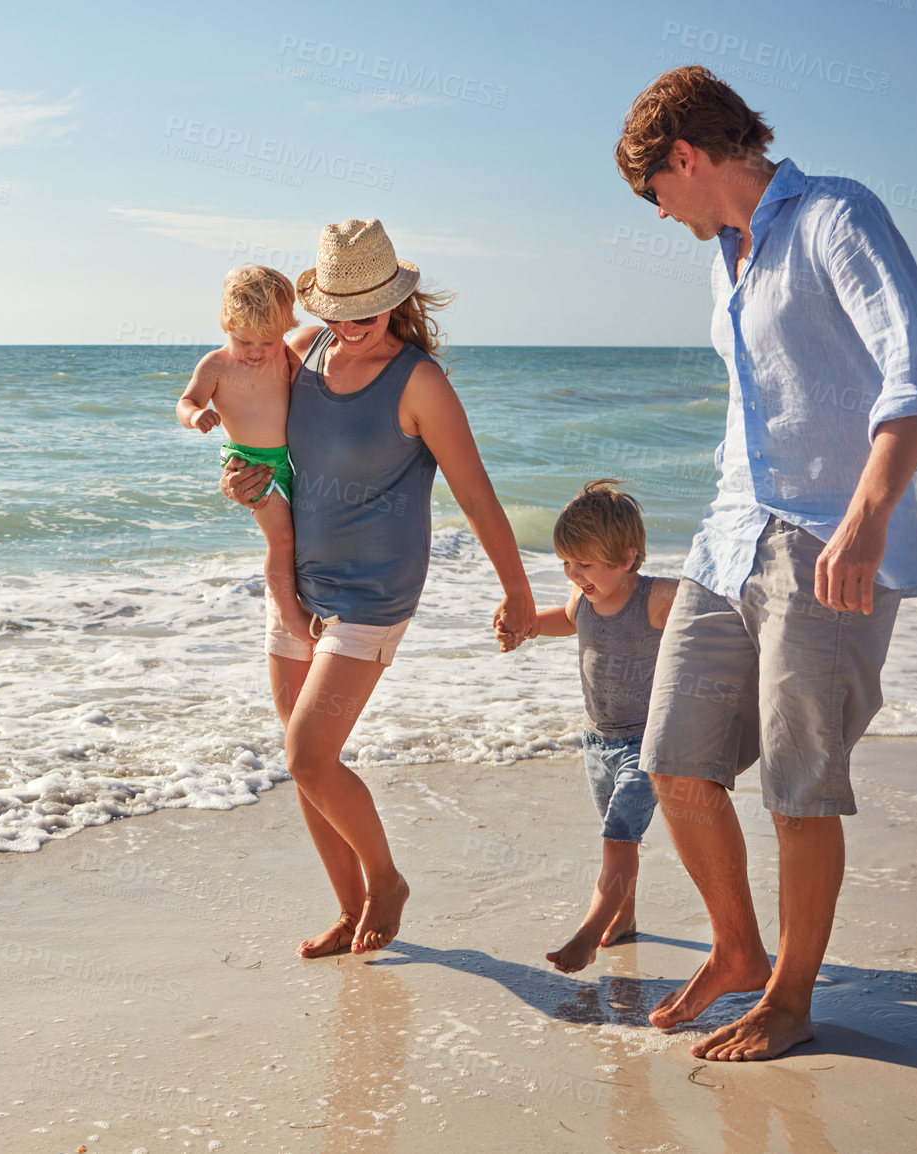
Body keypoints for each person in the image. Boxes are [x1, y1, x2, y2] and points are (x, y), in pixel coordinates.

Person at [615, 66, 917, 1060]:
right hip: (729, 538)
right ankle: (735, 948)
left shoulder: (834, 218)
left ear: (684, 157)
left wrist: (865, 516)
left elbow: (914, 372)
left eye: (655, 192)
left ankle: (790, 996)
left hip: (826, 542)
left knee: (800, 784)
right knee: (674, 760)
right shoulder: (722, 257)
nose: (659, 213)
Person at [221, 219, 536, 957]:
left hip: (374, 593)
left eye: (363, 312)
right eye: (334, 311)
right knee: (305, 766)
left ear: (395, 301)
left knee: (308, 754)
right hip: (299, 585)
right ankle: (349, 905)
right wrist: (245, 477)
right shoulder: (302, 353)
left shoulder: (418, 381)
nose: (346, 326)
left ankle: (385, 881)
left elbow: (476, 493)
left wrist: (518, 592)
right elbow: (254, 431)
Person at [511, 480, 677, 974]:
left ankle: (587, 932)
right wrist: (524, 624)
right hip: (596, 741)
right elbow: (564, 620)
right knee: (615, 834)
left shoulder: (655, 597)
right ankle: (621, 921)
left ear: (627, 559)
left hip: (645, 743)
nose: (573, 573)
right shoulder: (582, 597)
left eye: (584, 564)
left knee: (618, 836)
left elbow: (710, 614)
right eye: (567, 562)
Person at [176, 266, 312, 644]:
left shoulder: (286, 357)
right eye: (244, 341)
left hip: (291, 459)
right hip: (250, 462)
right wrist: (195, 416)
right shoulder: (216, 364)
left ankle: (304, 598)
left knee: (301, 537)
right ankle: (289, 613)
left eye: (267, 342)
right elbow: (186, 400)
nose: (256, 352)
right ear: (226, 325)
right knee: (281, 539)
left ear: (285, 328)